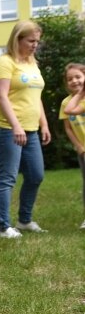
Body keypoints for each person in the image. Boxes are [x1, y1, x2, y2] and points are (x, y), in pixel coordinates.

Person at [0, 20, 51, 238]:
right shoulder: (4, 63)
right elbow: (0, 96)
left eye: (37, 41)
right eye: (31, 40)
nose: (35, 45)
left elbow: (36, 97)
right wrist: (16, 125)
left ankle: (24, 220)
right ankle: (4, 227)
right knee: (8, 178)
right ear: (18, 39)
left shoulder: (32, 64)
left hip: (31, 129)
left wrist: (43, 123)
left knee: (36, 175)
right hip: (7, 129)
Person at [61, 63, 85, 229]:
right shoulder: (66, 103)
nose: (74, 81)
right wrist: (78, 146)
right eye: (70, 79)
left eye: (78, 77)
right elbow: (68, 128)